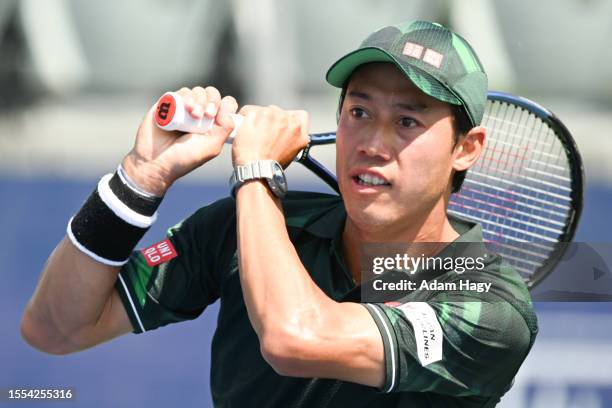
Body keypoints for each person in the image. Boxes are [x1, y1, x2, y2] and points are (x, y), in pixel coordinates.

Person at [21, 20, 537, 407]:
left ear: (467, 148)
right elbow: (55, 329)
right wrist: (140, 177)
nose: (374, 144)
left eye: (407, 120)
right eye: (359, 112)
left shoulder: (493, 310)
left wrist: (257, 174)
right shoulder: (245, 222)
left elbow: (296, 338)